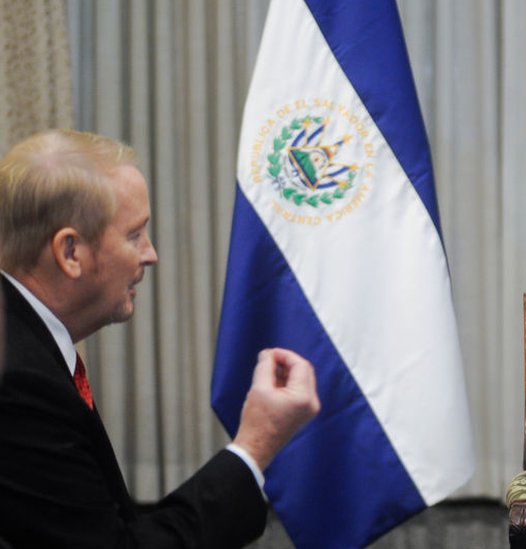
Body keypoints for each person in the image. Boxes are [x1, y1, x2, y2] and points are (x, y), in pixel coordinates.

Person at [0, 129, 321, 548]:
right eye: (134, 235)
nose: (150, 254)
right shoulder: (19, 381)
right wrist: (256, 445)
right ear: (71, 253)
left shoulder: (27, 339)